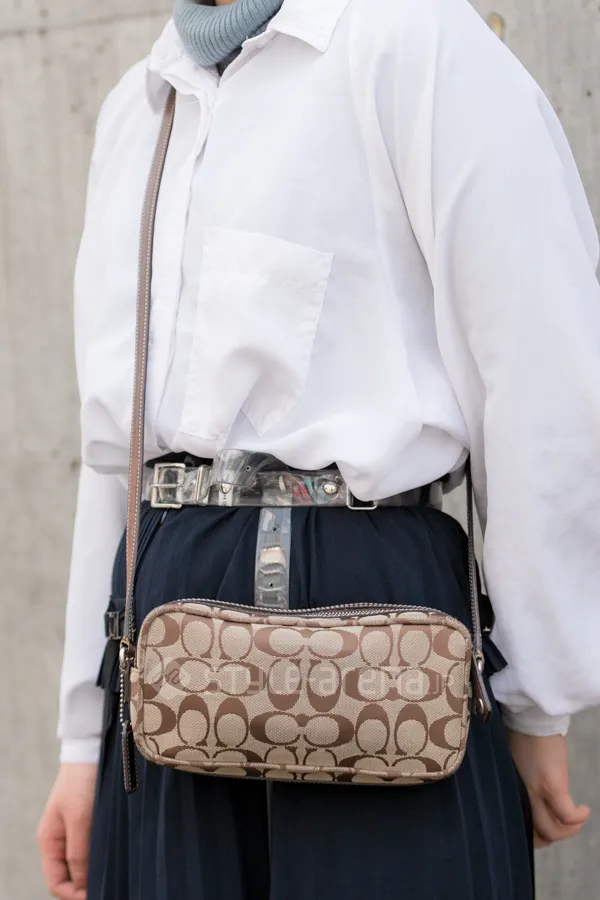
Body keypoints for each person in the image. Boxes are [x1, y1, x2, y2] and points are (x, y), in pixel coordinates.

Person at [37, 0, 600, 897]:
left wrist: (539, 696)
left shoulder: (413, 40)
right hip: (164, 638)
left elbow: (542, 376)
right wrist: (82, 736)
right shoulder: (141, 105)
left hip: (377, 620)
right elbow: (121, 461)